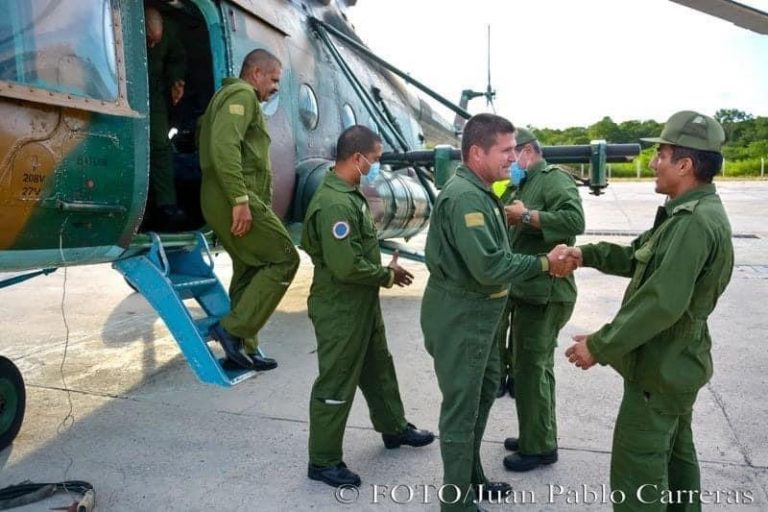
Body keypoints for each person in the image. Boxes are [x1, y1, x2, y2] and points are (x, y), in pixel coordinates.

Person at [564, 111, 734, 511]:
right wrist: (583, 253)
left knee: (637, 478)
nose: (654, 163)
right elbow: (635, 255)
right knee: (676, 461)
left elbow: (661, 303)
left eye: (661, 154)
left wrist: (599, 346)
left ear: (685, 165)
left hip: (658, 371)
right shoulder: (688, 213)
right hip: (677, 366)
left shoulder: (693, 223)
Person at [420, 113, 575, 512]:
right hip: (462, 318)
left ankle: (471, 479)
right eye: (505, 151)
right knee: (461, 409)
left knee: (484, 391)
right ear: (476, 152)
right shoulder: (466, 197)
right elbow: (489, 265)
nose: (513, 158)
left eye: (515, 150)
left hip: (481, 316)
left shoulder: (482, 190)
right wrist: (544, 263)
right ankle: (457, 503)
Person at [301, 125, 435, 488]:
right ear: (358, 158)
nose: (376, 166)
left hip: (361, 304)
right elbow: (345, 266)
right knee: (336, 381)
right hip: (340, 308)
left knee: (378, 368)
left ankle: (393, 428)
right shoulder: (335, 203)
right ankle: (323, 460)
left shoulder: (348, 192)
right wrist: (386, 275)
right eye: (374, 160)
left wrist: (380, 275)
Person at [198, 49, 299, 371]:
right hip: (232, 196)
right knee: (285, 259)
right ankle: (230, 331)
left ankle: (243, 347)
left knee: (250, 268)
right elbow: (224, 145)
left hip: (227, 195)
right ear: (255, 73)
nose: (275, 87)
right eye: (273, 79)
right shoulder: (241, 95)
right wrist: (240, 200)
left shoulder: (236, 98)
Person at [497, 127, 585, 472]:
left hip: (547, 293)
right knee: (527, 369)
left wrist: (527, 217)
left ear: (528, 152)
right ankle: (534, 433)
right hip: (528, 291)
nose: (508, 160)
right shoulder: (522, 184)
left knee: (533, 370)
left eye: (510, 152)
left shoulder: (553, 180)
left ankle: (540, 447)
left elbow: (574, 220)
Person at [145, 5, 187, 231]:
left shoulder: (170, 30)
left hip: (156, 93)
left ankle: (166, 205)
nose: (152, 45)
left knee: (161, 146)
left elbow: (177, 58)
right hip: (125, 88)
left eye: (156, 42)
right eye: (148, 40)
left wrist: (177, 80)